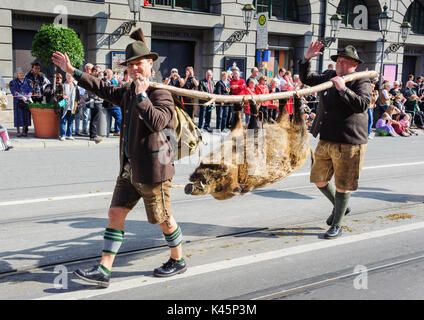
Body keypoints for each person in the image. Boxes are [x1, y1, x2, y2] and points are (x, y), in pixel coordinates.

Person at [52, 28, 186, 288]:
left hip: (153, 171)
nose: (135, 69)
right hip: (129, 169)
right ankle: (104, 270)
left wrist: (142, 95)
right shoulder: (126, 91)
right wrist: (73, 71)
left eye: (139, 64)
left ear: (150, 64)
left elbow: (158, 122)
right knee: (115, 213)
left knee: (164, 218)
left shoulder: (161, 94)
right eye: (131, 65)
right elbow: (101, 87)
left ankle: (178, 260)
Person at [299, 42, 372, 239]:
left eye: (344, 61)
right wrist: (307, 59)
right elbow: (307, 78)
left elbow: (363, 105)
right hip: (327, 136)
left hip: (350, 140)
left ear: (354, 64)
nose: (339, 64)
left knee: (343, 184)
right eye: (338, 60)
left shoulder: (361, 80)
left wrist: (344, 90)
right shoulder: (330, 76)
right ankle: (341, 206)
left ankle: (337, 224)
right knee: (319, 179)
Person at [9, 68, 33, 137]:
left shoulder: (27, 82)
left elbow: (30, 90)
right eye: (20, 73)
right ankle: (18, 131)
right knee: (18, 117)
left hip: (26, 101)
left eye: (22, 73)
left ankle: (24, 131)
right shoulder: (13, 82)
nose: (21, 74)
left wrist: (28, 96)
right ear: (16, 74)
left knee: (26, 116)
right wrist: (22, 97)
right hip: (18, 102)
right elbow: (14, 92)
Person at [58, 73, 80, 141]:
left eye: (71, 76)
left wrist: (78, 103)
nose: (69, 77)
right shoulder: (62, 85)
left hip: (72, 105)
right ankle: (62, 135)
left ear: (73, 78)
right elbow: (56, 94)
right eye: (68, 76)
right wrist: (62, 96)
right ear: (66, 77)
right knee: (63, 120)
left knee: (70, 121)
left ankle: (69, 135)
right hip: (63, 104)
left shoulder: (75, 86)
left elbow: (78, 96)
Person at [87, 66, 104, 143]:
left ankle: (93, 134)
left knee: (94, 118)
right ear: (94, 71)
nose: (99, 73)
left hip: (96, 101)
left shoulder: (93, 78)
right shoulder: (92, 79)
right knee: (95, 119)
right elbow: (97, 88)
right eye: (98, 71)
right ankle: (93, 135)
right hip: (96, 101)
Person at [105, 69, 122, 136]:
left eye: (111, 74)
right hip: (109, 103)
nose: (111, 75)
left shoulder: (114, 81)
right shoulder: (104, 81)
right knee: (118, 116)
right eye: (110, 74)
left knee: (118, 116)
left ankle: (116, 130)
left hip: (115, 102)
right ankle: (116, 130)